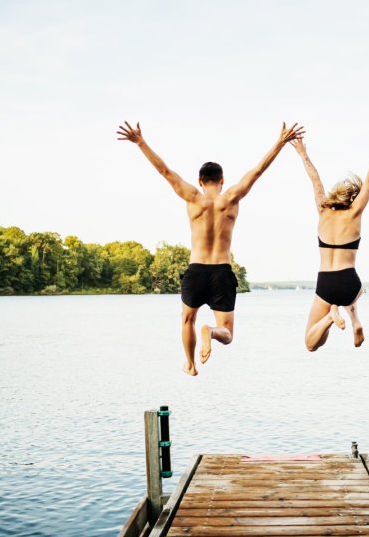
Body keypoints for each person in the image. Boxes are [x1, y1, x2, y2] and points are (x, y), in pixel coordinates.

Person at [117, 120, 305, 375]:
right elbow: (258, 171)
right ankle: (211, 332)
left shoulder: (192, 197)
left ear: (200, 180)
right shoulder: (231, 197)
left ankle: (191, 364)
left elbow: (164, 170)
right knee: (227, 334)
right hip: (221, 271)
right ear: (222, 180)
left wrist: (140, 142)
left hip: (196, 271)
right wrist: (280, 143)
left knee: (187, 319)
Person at [290, 121, 369, 351]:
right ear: (352, 199)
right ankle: (355, 320)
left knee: (311, 343)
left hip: (326, 281)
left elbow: (315, 179)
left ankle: (330, 317)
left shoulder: (322, 210)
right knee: (357, 292)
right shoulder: (355, 213)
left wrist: (302, 153)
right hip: (350, 281)